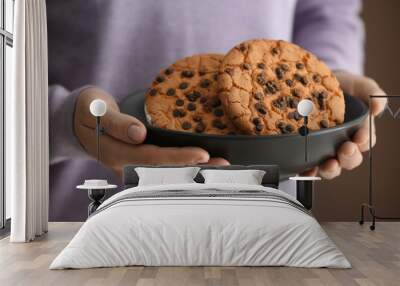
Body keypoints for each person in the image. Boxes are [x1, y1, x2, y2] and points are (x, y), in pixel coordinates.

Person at [47, 0, 387, 221]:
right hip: (79, 215)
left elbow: (326, 11)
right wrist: (58, 119)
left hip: (259, 218)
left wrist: (327, 77)